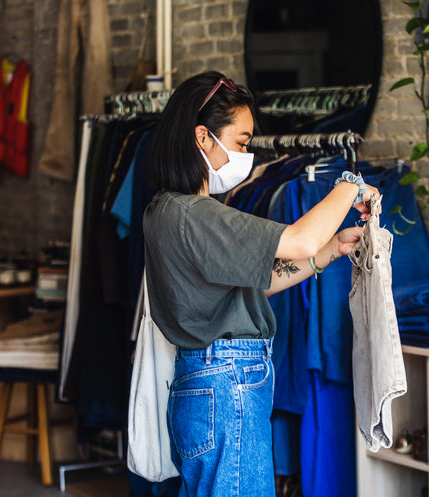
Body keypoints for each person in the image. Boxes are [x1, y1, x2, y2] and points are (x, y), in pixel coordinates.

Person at [142, 71, 381, 497]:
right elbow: (299, 238)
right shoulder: (197, 214)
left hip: (205, 380)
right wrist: (350, 183)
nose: (246, 154)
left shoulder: (166, 211)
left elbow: (257, 283)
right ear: (202, 138)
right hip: (227, 380)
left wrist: (327, 252)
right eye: (242, 142)